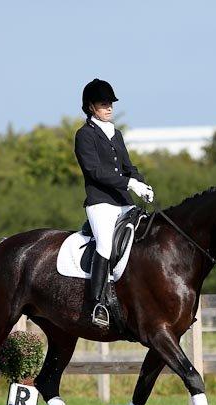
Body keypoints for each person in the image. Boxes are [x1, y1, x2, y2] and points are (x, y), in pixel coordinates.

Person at [74, 78, 154, 327]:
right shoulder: (84, 135)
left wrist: (142, 184)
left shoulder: (116, 134)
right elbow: (95, 171)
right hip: (100, 204)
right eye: (103, 104)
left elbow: (128, 167)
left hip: (123, 202)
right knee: (106, 246)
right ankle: (96, 304)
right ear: (90, 107)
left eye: (110, 103)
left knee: (147, 239)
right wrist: (130, 184)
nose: (109, 107)